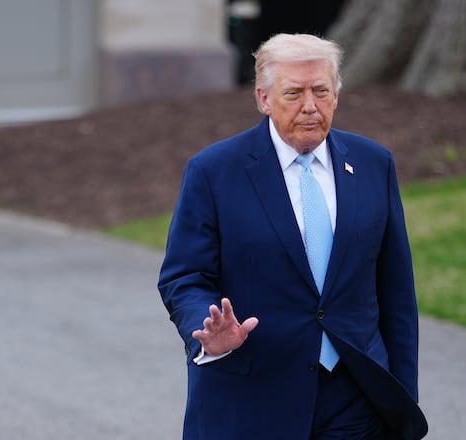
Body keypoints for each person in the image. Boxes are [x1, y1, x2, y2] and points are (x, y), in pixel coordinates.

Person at [158, 33, 427, 439]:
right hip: (254, 394)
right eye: (293, 93)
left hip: (356, 397)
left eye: (321, 91)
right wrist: (209, 332)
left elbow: (396, 294)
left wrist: (402, 401)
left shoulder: (374, 164)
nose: (309, 106)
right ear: (264, 99)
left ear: (336, 95)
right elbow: (184, 277)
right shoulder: (214, 172)